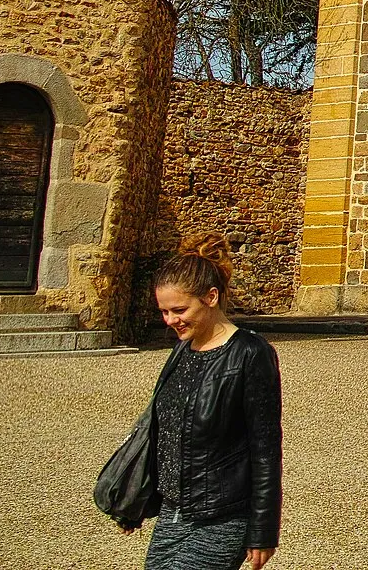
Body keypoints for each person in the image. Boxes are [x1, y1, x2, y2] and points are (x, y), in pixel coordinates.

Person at [122, 236, 283, 569]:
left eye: (180, 310)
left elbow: (265, 448)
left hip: (222, 518)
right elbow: (162, 432)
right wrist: (135, 499)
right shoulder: (182, 349)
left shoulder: (250, 354)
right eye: (164, 311)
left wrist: (263, 530)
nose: (170, 320)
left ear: (211, 297)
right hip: (172, 515)